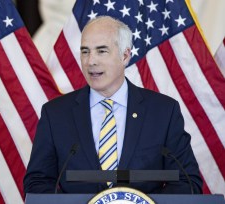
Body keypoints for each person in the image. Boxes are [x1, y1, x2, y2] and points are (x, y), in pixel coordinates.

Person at [23, 16, 203, 194]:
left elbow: (187, 182)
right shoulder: (55, 114)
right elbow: (37, 182)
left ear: (125, 56)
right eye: (85, 51)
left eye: (101, 51)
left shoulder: (163, 112)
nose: (91, 61)